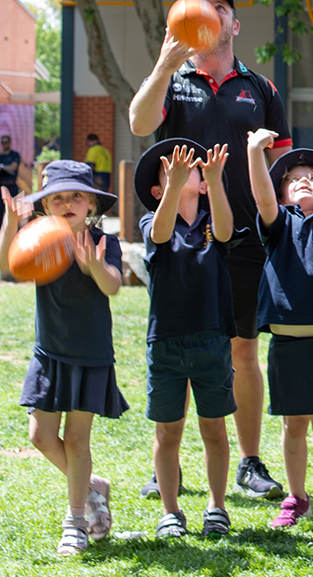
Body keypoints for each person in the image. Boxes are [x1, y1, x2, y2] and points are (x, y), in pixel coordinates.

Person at [129, 0, 290, 500]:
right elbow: (137, 123)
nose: (211, 13)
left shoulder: (261, 89)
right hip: (181, 242)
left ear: (235, 25)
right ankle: (166, 467)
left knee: (242, 350)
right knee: (176, 344)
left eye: (221, 7)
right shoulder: (172, 83)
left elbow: (279, 167)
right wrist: (162, 63)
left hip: (242, 238)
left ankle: (248, 462)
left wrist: (279, 222)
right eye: (202, 7)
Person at [0, 161, 126, 556]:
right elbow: (6, 266)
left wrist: (94, 266)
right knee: (39, 436)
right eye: (57, 197)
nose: (67, 202)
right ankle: (92, 486)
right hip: (50, 352)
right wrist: (9, 222)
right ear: (45, 206)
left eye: (76, 196)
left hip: (89, 354)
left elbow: (114, 286)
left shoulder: (104, 240)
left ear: (91, 203)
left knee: (75, 439)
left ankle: (76, 522)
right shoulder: (38, 240)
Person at [246, 133, 313, 537]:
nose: (304, 180)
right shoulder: (278, 223)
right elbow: (261, 195)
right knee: (293, 426)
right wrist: (255, 152)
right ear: (283, 192)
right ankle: (296, 497)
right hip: (286, 342)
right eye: (294, 178)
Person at [135, 138, 237, 539]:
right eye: (171, 171)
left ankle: (217, 506)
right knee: (168, 431)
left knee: (214, 429)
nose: (183, 170)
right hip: (166, 342)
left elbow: (227, 231)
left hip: (212, 339)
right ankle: (171, 511)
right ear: (159, 190)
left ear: (204, 182)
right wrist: (178, 185)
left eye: (191, 168)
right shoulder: (152, 221)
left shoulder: (215, 220)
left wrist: (216, 179)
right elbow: (160, 235)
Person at [0, 133, 22, 237]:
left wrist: (1, 168)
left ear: (9, 143)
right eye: (3, 142)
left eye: (6, 142)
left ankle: (16, 236)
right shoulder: (0, 156)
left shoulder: (14, 155)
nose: (4, 144)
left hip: (12, 186)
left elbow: (13, 167)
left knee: (13, 213)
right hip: (1, 186)